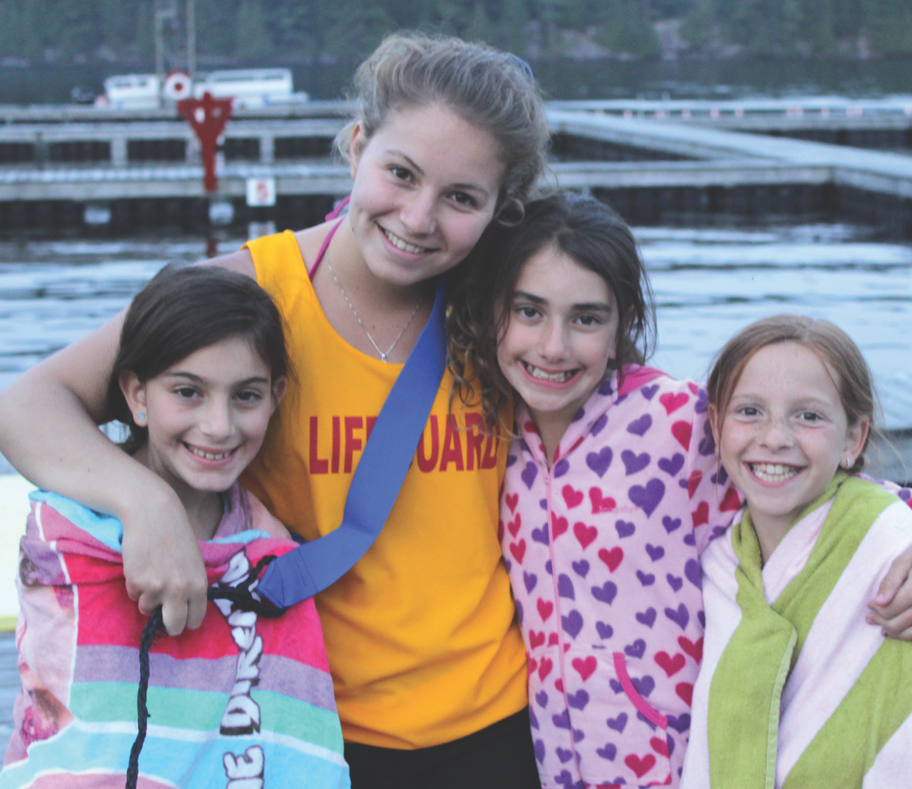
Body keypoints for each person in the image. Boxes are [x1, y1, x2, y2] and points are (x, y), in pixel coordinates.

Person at [0, 32, 549, 789]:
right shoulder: (252, 290)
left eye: (461, 198)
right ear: (357, 146)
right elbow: (27, 403)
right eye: (400, 173)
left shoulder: (505, 314)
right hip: (302, 729)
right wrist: (146, 503)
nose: (420, 218)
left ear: (497, 208)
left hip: (497, 726)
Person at [445, 191, 912, 789]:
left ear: (620, 329)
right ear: (494, 314)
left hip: (679, 767)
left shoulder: (674, 421)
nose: (553, 346)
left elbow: (828, 483)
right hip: (551, 767)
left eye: (586, 318)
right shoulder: (492, 429)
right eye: (528, 311)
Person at [1, 266, 350, 788]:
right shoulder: (68, 542)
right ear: (137, 396)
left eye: (246, 396)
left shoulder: (269, 549)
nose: (218, 425)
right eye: (188, 392)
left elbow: (290, 742)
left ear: (276, 396)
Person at [681, 315, 912, 788]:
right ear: (716, 423)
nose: (775, 438)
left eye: (808, 416)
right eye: (749, 411)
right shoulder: (722, 563)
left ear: (853, 438)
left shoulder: (892, 544)